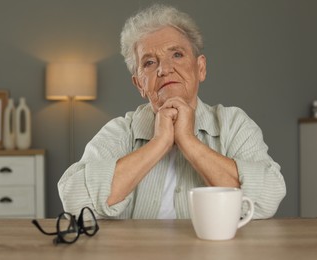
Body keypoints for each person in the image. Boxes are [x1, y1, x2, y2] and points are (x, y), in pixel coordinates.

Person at [58, 4, 286, 219]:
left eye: (176, 54)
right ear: (139, 84)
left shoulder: (234, 123)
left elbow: (267, 198)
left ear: (201, 68)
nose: (165, 69)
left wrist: (187, 140)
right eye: (149, 62)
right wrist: (159, 142)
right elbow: (75, 200)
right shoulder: (120, 131)